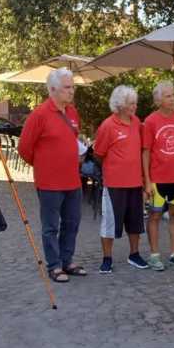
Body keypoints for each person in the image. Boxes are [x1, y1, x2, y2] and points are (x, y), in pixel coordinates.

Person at [18, 68, 86, 282]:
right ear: (53, 89)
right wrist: (43, 166)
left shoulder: (73, 113)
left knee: (72, 222)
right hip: (49, 182)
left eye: (73, 87)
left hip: (73, 179)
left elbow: (72, 139)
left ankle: (67, 260)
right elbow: (24, 148)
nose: (71, 91)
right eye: (67, 87)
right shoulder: (39, 115)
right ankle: (54, 265)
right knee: (51, 226)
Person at [94, 85, 148, 274]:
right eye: (130, 103)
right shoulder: (108, 125)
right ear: (120, 105)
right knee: (109, 222)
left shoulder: (136, 122)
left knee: (135, 222)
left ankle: (134, 254)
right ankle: (107, 258)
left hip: (135, 182)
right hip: (115, 183)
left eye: (135, 103)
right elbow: (98, 154)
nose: (134, 106)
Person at [142, 81, 174, 271]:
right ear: (158, 100)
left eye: (173, 95)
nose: (173, 98)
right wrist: (147, 181)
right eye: (168, 96)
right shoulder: (150, 121)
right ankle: (154, 255)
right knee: (155, 216)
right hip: (157, 179)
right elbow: (145, 152)